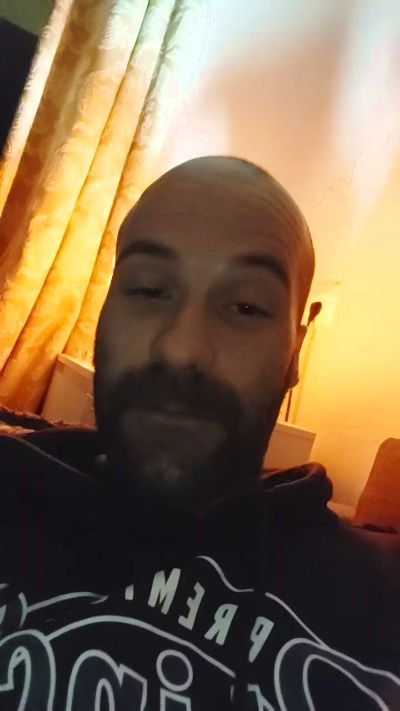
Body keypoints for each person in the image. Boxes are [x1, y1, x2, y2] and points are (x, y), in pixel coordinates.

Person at [0, 156, 399, 710]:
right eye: (148, 290)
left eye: (246, 306)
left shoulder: (380, 603)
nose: (182, 348)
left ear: (295, 351)